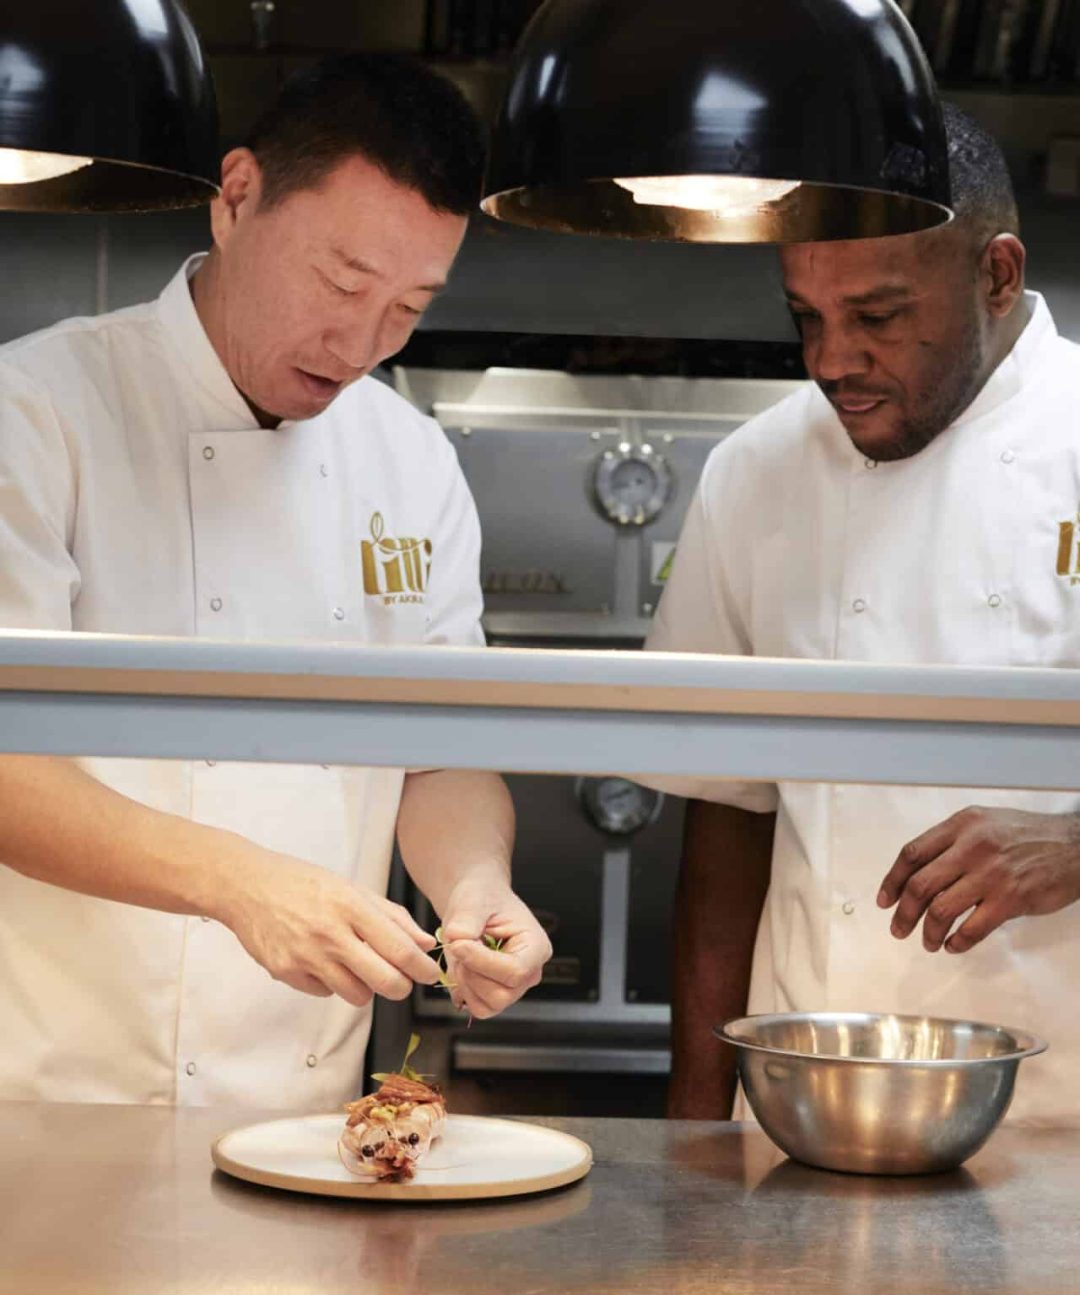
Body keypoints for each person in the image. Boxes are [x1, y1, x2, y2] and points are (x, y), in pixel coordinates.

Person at [0, 54, 551, 1109]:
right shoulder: (37, 412)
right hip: (50, 1097)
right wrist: (242, 885)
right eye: (340, 284)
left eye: (407, 308)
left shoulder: (411, 460)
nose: (359, 344)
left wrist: (475, 890)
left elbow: (440, 755)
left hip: (301, 1117)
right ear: (238, 196)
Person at [647, 103, 1080, 1125]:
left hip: (1058, 1124)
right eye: (807, 318)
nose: (832, 361)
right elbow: (726, 819)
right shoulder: (754, 473)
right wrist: (697, 1128)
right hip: (798, 1106)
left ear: (999, 274)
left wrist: (1073, 849)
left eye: (878, 318)